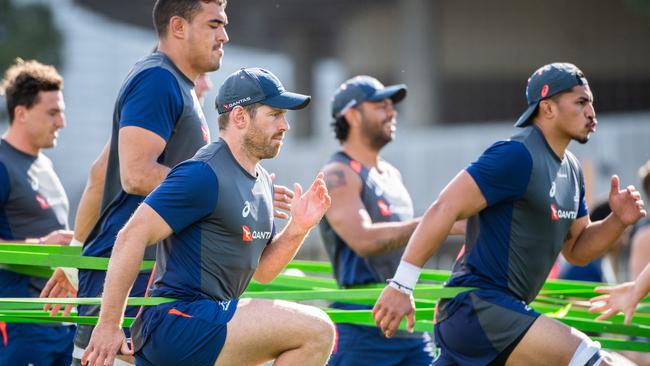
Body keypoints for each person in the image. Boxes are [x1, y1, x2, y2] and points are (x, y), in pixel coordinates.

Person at [372, 62, 646, 365]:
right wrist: (401, 285)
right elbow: (444, 207)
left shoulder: (572, 169)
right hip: (479, 308)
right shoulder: (516, 154)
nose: (592, 112)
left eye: (591, 102)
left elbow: (577, 250)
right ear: (548, 108)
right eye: (581, 102)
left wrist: (617, 221)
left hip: (494, 316)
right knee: (598, 361)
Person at [81, 67, 335, 366]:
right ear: (240, 117)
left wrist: (298, 227)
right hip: (179, 321)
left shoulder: (262, 181)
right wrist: (109, 325)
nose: (285, 126)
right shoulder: (202, 172)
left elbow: (263, 272)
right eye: (275, 114)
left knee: (312, 332)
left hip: (213, 320)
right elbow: (131, 235)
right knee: (317, 330)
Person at [39, 1, 234, 364]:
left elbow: (101, 172)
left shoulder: (177, 85)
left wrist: (74, 258)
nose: (224, 35)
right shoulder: (157, 78)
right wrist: (223, 192)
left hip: (147, 280)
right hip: (127, 284)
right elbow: (136, 173)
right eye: (214, 25)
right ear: (178, 27)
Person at [320, 75, 457, 365]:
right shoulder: (338, 173)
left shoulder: (392, 174)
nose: (392, 112)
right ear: (353, 115)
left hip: (408, 324)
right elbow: (363, 240)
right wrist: (436, 223)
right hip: (361, 327)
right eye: (381, 106)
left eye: (391, 106)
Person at [0, 58, 75, 364]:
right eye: (52, 113)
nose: (62, 122)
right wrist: (42, 246)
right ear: (21, 113)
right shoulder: (2, 165)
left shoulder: (45, 165)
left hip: (62, 325)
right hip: (21, 325)